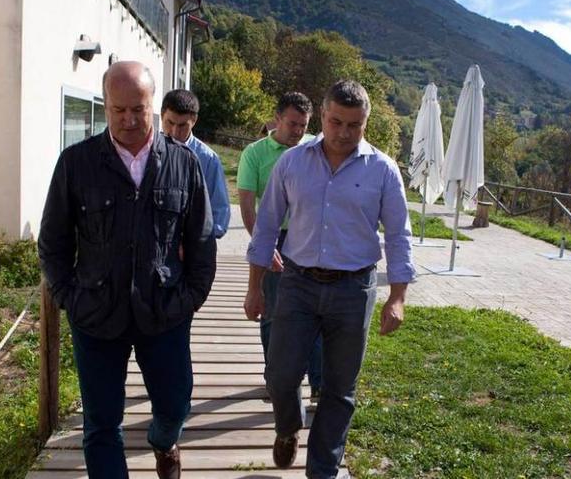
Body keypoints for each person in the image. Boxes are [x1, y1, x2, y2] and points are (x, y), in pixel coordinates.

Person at [38, 61, 216, 479]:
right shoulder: (75, 163)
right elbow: (52, 243)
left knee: (175, 406)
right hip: (96, 315)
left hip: (165, 312)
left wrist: (189, 300)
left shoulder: (183, 164)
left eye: (138, 109)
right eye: (118, 110)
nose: (129, 120)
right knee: (101, 425)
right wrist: (70, 297)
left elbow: (202, 241)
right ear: (105, 106)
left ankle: (162, 440)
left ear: (154, 105)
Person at [244, 80, 416, 478]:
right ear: (322, 116)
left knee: (339, 388)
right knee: (280, 375)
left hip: (353, 290)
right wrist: (254, 288)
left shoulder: (383, 170)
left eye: (353, 125)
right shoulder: (292, 162)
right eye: (336, 122)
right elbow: (267, 225)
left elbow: (398, 234)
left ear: (365, 123)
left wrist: (398, 296)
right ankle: (287, 428)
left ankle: (321, 469)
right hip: (297, 282)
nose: (343, 133)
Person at [237, 92, 323, 399]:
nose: (298, 132)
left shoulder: (316, 148)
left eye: (303, 125)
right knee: (272, 311)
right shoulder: (255, 154)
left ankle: (319, 384)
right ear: (277, 119)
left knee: (315, 312)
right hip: (272, 235)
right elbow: (247, 205)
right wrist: (262, 244)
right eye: (292, 124)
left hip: (309, 239)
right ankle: (276, 380)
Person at [161, 89, 230, 239]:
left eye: (182, 126)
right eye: (170, 123)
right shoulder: (147, 152)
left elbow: (219, 215)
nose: (174, 132)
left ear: (194, 121)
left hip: (192, 246)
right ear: (161, 116)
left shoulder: (208, 159)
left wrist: (196, 242)